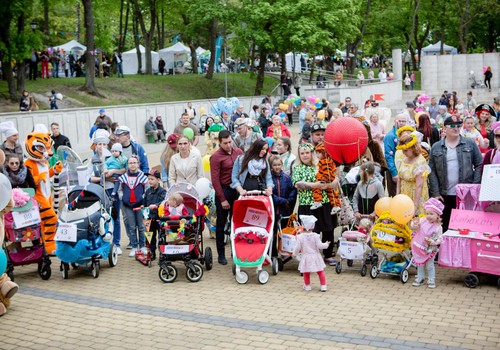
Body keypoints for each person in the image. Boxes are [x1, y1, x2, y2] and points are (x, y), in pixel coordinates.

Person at [428, 116, 483, 232]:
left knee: (464, 228)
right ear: (444, 128)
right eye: (452, 126)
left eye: (458, 126)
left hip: (465, 195)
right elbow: (431, 171)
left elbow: (479, 164)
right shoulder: (436, 147)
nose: (456, 128)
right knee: (444, 227)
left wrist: (473, 187)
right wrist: (436, 192)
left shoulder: (470, 144)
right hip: (444, 195)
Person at [292, 143, 338, 266]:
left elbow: (334, 178)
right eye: (302, 153)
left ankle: (327, 255)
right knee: (311, 232)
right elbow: (297, 184)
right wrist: (315, 186)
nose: (305, 155)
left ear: (312, 153)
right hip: (307, 205)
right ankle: (313, 256)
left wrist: (330, 184)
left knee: (328, 229)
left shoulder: (320, 165)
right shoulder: (297, 168)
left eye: (307, 152)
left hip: (324, 202)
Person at [210, 130, 243, 264]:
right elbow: (215, 180)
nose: (228, 145)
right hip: (223, 191)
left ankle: (236, 252)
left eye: (230, 142)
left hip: (237, 190)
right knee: (221, 225)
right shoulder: (216, 157)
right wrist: (222, 199)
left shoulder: (238, 152)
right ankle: (221, 254)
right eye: (225, 143)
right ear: (220, 142)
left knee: (237, 223)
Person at [116, 156, 148, 257]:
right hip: (128, 205)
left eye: (135, 162)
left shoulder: (143, 177)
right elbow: (119, 190)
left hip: (140, 206)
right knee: (132, 227)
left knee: (141, 226)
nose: (132, 165)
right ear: (127, 165)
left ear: (138, 164)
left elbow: (146, 190)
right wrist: (123, 197)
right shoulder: (123, 178)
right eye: (130, 163)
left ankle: (142, 246)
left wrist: (143, 199)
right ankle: (134, 246)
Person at [410, 198, 444, 289]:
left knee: (430, 265)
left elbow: (440, 239)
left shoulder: (438, 227)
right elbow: (413, 226)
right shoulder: (423, 220)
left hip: (429, 249)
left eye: (431, 214)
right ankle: (420, 278)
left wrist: (432, 242)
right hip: (419, 246)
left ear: (437, 215)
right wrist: (414, 223)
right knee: (419, 264)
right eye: (427, 213)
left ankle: (431, 279)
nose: (429, 216)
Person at [396, 134, 430, 216]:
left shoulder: (420, 162)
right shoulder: (403, 159)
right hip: (404, 195)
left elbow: (419, 185)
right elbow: (399, 179)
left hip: (415, 196)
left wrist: (415, 205)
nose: (404, 153)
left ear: (413, 148)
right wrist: (397, 197)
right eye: (402, 150)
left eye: (406, 150)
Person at [293, 215, 329, 292]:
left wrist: (294, 254)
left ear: (302, 225)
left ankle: (307, 286)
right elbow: (320, 246)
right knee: (320, 271)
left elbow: (297, 247)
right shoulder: (316, 236)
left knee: (306, 272)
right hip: (316, 256)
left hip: (306, 256)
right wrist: (326, 244)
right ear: (313, 226)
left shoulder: (300, 237)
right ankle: (323, 286)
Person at [310, 143, 341, 215]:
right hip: (330, 178)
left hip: (324, 178)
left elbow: (327, 171)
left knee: (316, 187)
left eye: (319, 153)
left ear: (324, 152)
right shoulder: (329, 160)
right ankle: (336, 205)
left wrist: (323, 179)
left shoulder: (324, 161)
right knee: (331, 193)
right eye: (316, 153)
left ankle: (317, 201)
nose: (317, 155)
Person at [143, 169, 167, 261]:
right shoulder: (147, 191)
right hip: (149, 218)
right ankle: (152, 252)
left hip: (159, 218)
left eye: (152, 179)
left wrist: (156, 205)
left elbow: (163, 202)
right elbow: (144, 202)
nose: (150, 181)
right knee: (150, 237)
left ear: (158, 180)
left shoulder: (162, 191)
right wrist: (142, 206)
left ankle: (163, 253)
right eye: (149, 179)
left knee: (161, 236)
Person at [384, 114, 408, 196]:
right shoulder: (390, 136)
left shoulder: (408, 134)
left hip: (406, 169)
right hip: (394, 169)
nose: (401, 123)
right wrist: (394, 173)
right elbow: (388, 156)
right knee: (395, 196)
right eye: (399, 121)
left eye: (403, 121)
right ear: (395, 121)